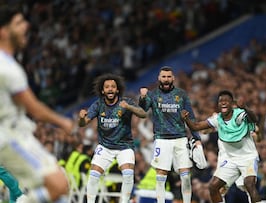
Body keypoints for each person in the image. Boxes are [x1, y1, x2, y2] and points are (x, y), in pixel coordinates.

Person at [0, 5, 75, 203]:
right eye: (18, 23)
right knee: (58, 185)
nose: (26, 26)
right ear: (4, 31)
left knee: (58, 188)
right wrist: (64, 122)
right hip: (9, 138)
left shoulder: (9, 63)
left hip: (18, 133)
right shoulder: (6, 68)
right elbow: (35, 109)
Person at [181, 90, 261, 203]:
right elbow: (196, 126)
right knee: (213, 187)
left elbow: (254, 119)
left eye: (226, 101)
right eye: (220, 101)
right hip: (229, 159)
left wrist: (245, 108)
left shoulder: (239, 114)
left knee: (249, 185)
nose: (223, 103)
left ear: (232, 103)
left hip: (247, 158)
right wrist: (186, 119)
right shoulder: (217, 119)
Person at [78, 73, 146, 203]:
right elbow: (83, 124)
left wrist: (129, 107)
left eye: (113, 87)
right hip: (105, 146)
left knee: (128, 174)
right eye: (107, 87)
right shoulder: (98, 105)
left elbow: (143, 114)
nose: (110, 89)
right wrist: (81, 118)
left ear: (117, 89)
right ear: (103, 90)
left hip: (124, 146)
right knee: (93, 176)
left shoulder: (126, 102)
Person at [138, 66, 201, 203]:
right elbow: (143, 110)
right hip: (162, 139)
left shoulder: (182, 95)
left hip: (180, 138)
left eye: (168, 77)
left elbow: (192, 118)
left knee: (185, 175)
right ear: (159, 78)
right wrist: (143, 97)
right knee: (161, 175)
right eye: (163, 77)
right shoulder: (153, 95)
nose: (166, 79)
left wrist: (197, 138)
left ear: (173, 78)